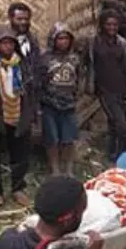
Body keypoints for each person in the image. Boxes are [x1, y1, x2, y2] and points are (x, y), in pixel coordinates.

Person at [0, 25, 35, 207]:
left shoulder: (20, 64)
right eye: (3, 43)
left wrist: (30, 114)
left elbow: (29, 89)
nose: (7, 47)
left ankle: (18, 188)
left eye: (10, 43)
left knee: (20, 153)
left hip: (19, 113)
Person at [88, 11, 126, 161]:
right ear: (102, 25)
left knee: (125, 123)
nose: (111, 27)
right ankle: (119, 155)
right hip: (104, 90)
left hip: (122, 88)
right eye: (108, 24)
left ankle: (115, 153)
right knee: (120, 124)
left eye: (115, 24)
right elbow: (87, 64)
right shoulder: (94, 43)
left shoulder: (123, 44)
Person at [40, 23, 82, 176]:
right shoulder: (45, 59)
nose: (63, 42)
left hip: (69, 104)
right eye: (60, 38)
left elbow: (78, 78)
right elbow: (41, 80)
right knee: (52, 139)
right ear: (53, 39)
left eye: (66, 38)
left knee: (69, 138)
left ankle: (69, 169)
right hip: (50, 103)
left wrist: (76, 95)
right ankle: (55, 169)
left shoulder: (75, 58)